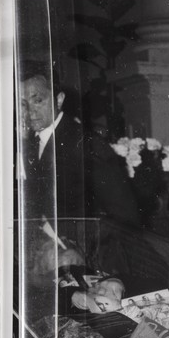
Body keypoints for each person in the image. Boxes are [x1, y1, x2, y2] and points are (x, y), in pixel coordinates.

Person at [17, 60, 140, 225]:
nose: (30, 112)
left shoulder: (86, 143)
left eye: (38, 100)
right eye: (23, 104)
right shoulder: (28, 143)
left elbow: (124, 216)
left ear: (59, 100)